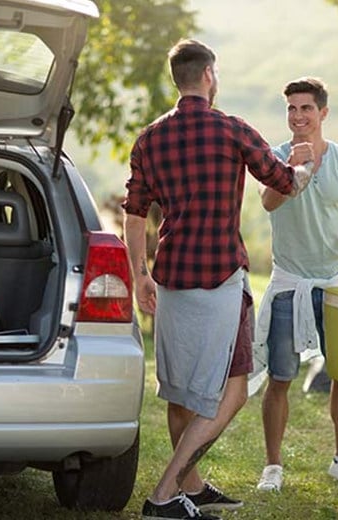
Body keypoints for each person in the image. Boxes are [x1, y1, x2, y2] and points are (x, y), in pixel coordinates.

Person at [122, 39, 314, 520]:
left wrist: (139, 275)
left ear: (177, 78)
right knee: (233, 388)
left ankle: (194, 487)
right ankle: (165, 492)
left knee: (180, 392)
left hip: (170, 281)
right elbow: (285, 182)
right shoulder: (230, 128)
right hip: (220, 278)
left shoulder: (148, 139)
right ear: (209, 75)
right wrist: (306, 163)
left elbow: (133, 213)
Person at [254, 77, 338, 492]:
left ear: (323, 113)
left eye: (306, 108)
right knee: (281, 377)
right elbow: (269, 202)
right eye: (291, 108)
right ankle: (273, 467)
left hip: (336, 283)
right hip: (290, 283)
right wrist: (294, 170)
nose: (297, 116)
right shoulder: (274, 157)